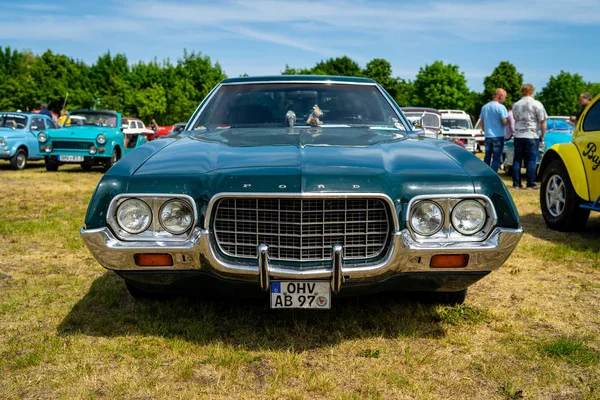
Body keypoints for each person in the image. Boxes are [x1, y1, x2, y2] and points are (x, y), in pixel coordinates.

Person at [512, 83, 547, 190]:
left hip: (519, 134)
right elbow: (543, 121)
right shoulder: (537, 104)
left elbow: (515, 117)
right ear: (532, 92)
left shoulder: (516, 105)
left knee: (517, 159)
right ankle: (530, 183)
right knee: (531, 160)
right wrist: (543, 135)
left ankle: (516, 183)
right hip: (532, 134)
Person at [479, 88, 509, 172]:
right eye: (504, 97)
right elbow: (504, 122)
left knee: (487, 156)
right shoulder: (501, 107)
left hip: (488, 135)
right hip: (498, 135)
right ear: (500, 96)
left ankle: (484, 172)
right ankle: (493, 174)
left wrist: (485, 130)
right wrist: (509, 120)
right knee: (496, 158)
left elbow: (481, 121)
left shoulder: (485, 107)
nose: (504, 99)